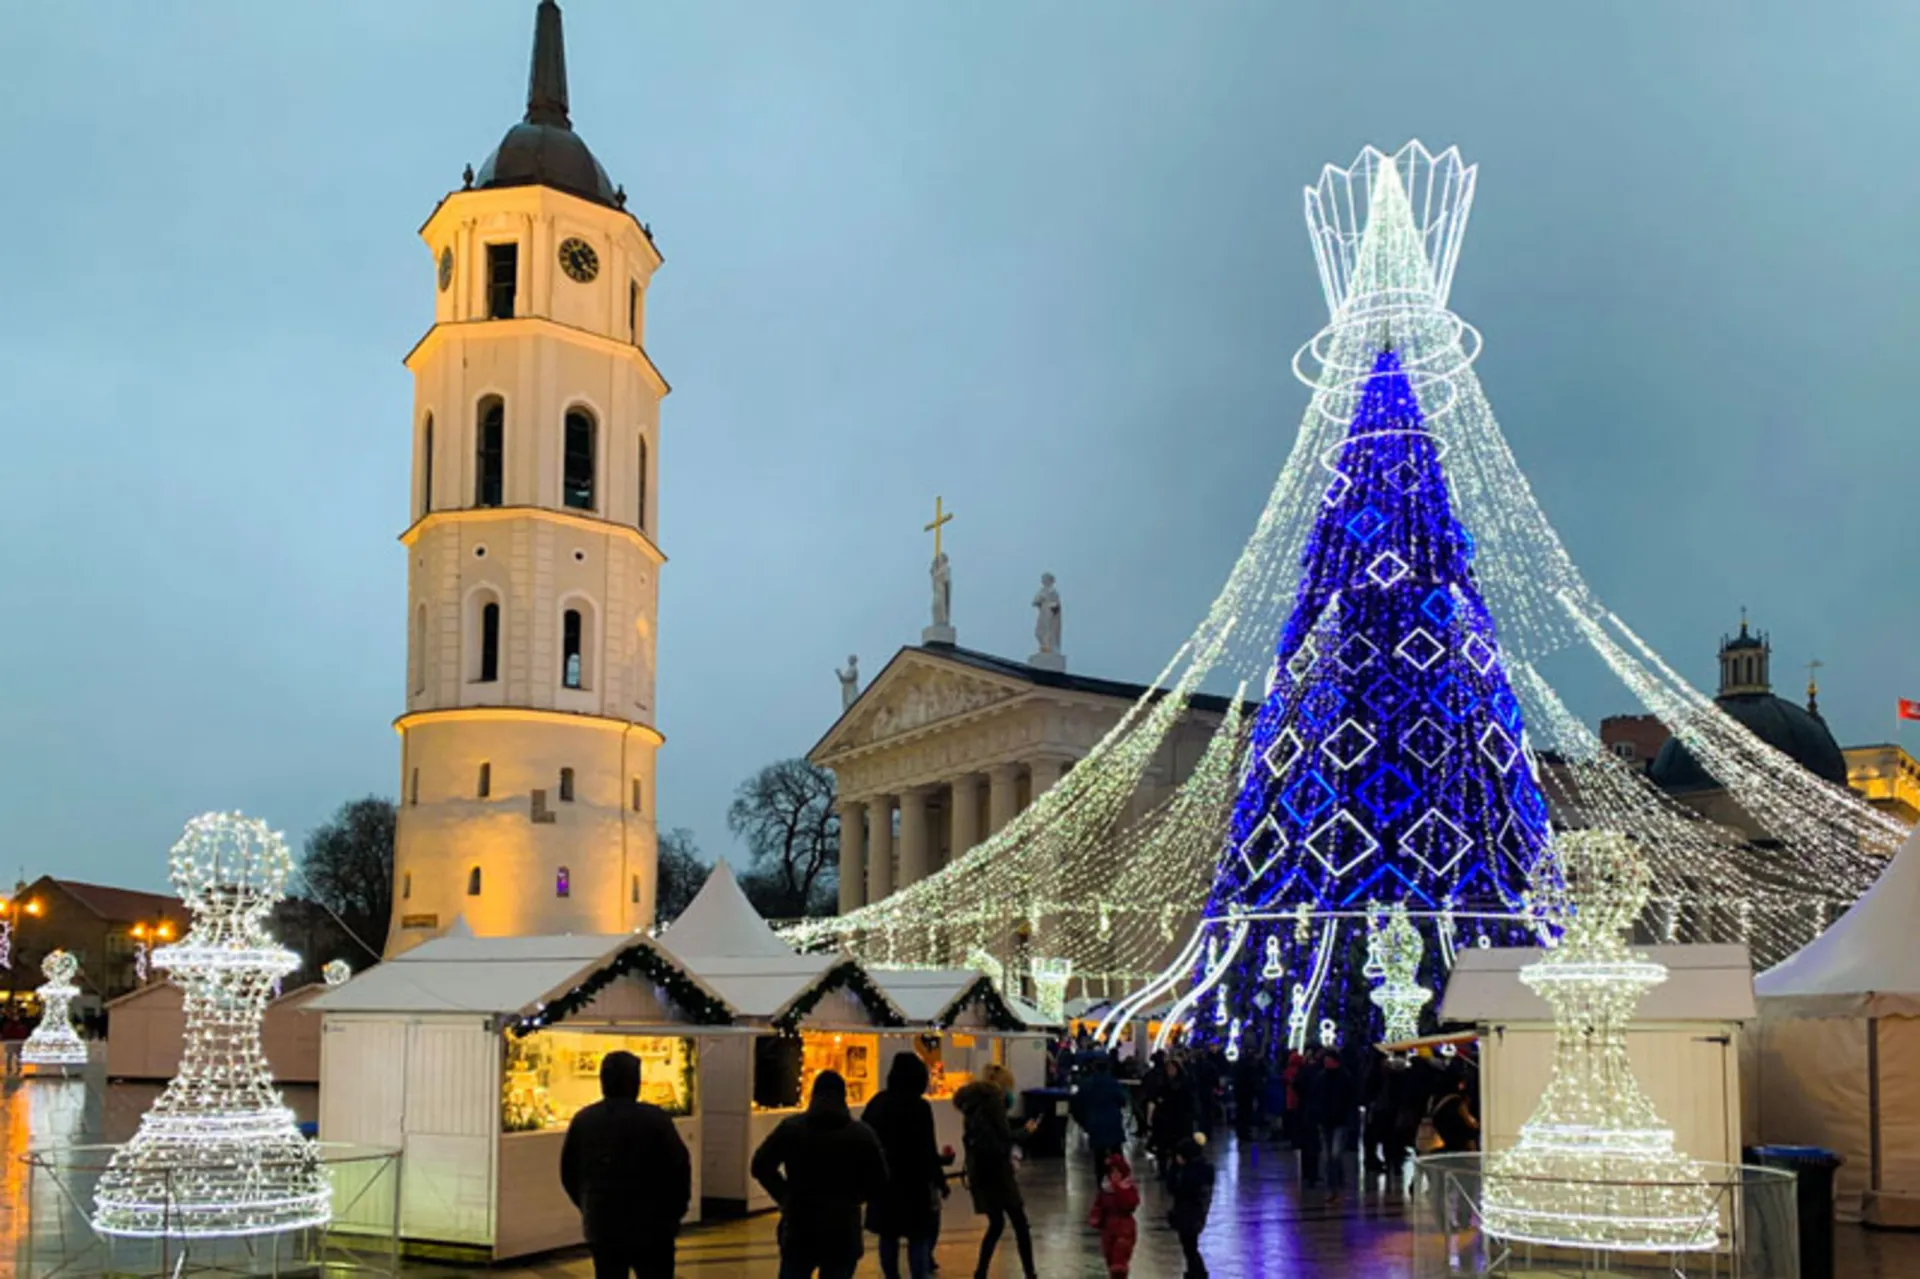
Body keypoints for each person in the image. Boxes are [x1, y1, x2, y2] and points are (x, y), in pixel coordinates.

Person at [558, 1050, 692, 1279]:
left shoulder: (585, 1120)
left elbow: (569, 1172)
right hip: (652, 1226)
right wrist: (674, 1215)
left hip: (604, 1224)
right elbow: (679, 1169)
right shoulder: (656, 1120)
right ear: (635, 1082)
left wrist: (589, 1205)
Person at [752, 1070, 889, 1279]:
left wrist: (784, 1196)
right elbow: (879, 1179)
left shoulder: (792, 1129)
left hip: (800, 1224)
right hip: (843, 1230)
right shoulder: (861, 1134)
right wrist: (856, 1197)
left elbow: (760, 1165)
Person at [861, 1053, 945, 1279]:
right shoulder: (919, 1107)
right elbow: (927, 1147)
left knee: (888, 1236)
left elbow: (865, 1138)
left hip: (884, 1182)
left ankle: (891, 1276)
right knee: (918, 1236)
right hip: (914, 1183)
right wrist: (939, 1180)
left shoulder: (878, 1103)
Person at [953, 1063, 1038, 1279]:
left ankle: (981, 1271)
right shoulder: (994, 1103)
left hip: (980, 1172)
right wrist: (1026, 1132)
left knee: (997, 1223)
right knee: (1020, 1223)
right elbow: (1004, 1136)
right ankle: (1030, 1272)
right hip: (998, 1173)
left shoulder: (971, 1105)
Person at [1069, 1055, 1130, 1200]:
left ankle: (1102, 1188)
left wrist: (1084, 1122)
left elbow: (1075, 1106)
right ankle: (1120, 1184)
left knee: (1099, 1158)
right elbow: (1123, 1101)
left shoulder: (1086, 1084)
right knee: (1117, 1156)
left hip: (1095, 1125)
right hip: (1113, 1124)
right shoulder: (1113, 1083)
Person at [1309, 1049, 1357, 1206]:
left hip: (1339, 1122)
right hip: (1326, 1121)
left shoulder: (1344, 1078)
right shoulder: (1322, 1078)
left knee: (1334, 1156)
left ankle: (1335, 1185)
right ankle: (1333, 1186)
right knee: (1329, 1156)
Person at [1167, 1134, 1215, 1279]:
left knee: (1189, 1246)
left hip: (1189, 1213)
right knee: (1189, 1245)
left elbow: (1176, 1188)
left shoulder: (1190, 1172)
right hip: (1193, 1212)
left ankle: (1198, 1273)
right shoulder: (1204, 1169)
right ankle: (1196, 1272)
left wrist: (1175, 1170)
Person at [1091, 1150, 1140, 1278]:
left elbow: (1129, 1205)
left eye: (1117, 1172)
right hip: (1108, 1230)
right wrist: (1096, 1217)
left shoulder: (1127, 1188)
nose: (1114, 1175)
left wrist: (1118, 1188)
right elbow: (1098, 1205)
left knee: (1119, 1263)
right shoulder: (1105, 1189)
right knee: (1110, 1258)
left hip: (1124, 1230)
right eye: (1111, 1172)